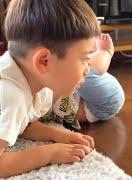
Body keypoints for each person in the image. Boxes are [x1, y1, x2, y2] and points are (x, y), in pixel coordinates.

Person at [0, 0, 124, 177]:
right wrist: (48, 153)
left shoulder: (33, 81)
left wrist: (58, 135)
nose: (88, 69)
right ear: (44, 61)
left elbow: (22, 124)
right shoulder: (11, 97)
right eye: (84, 60)